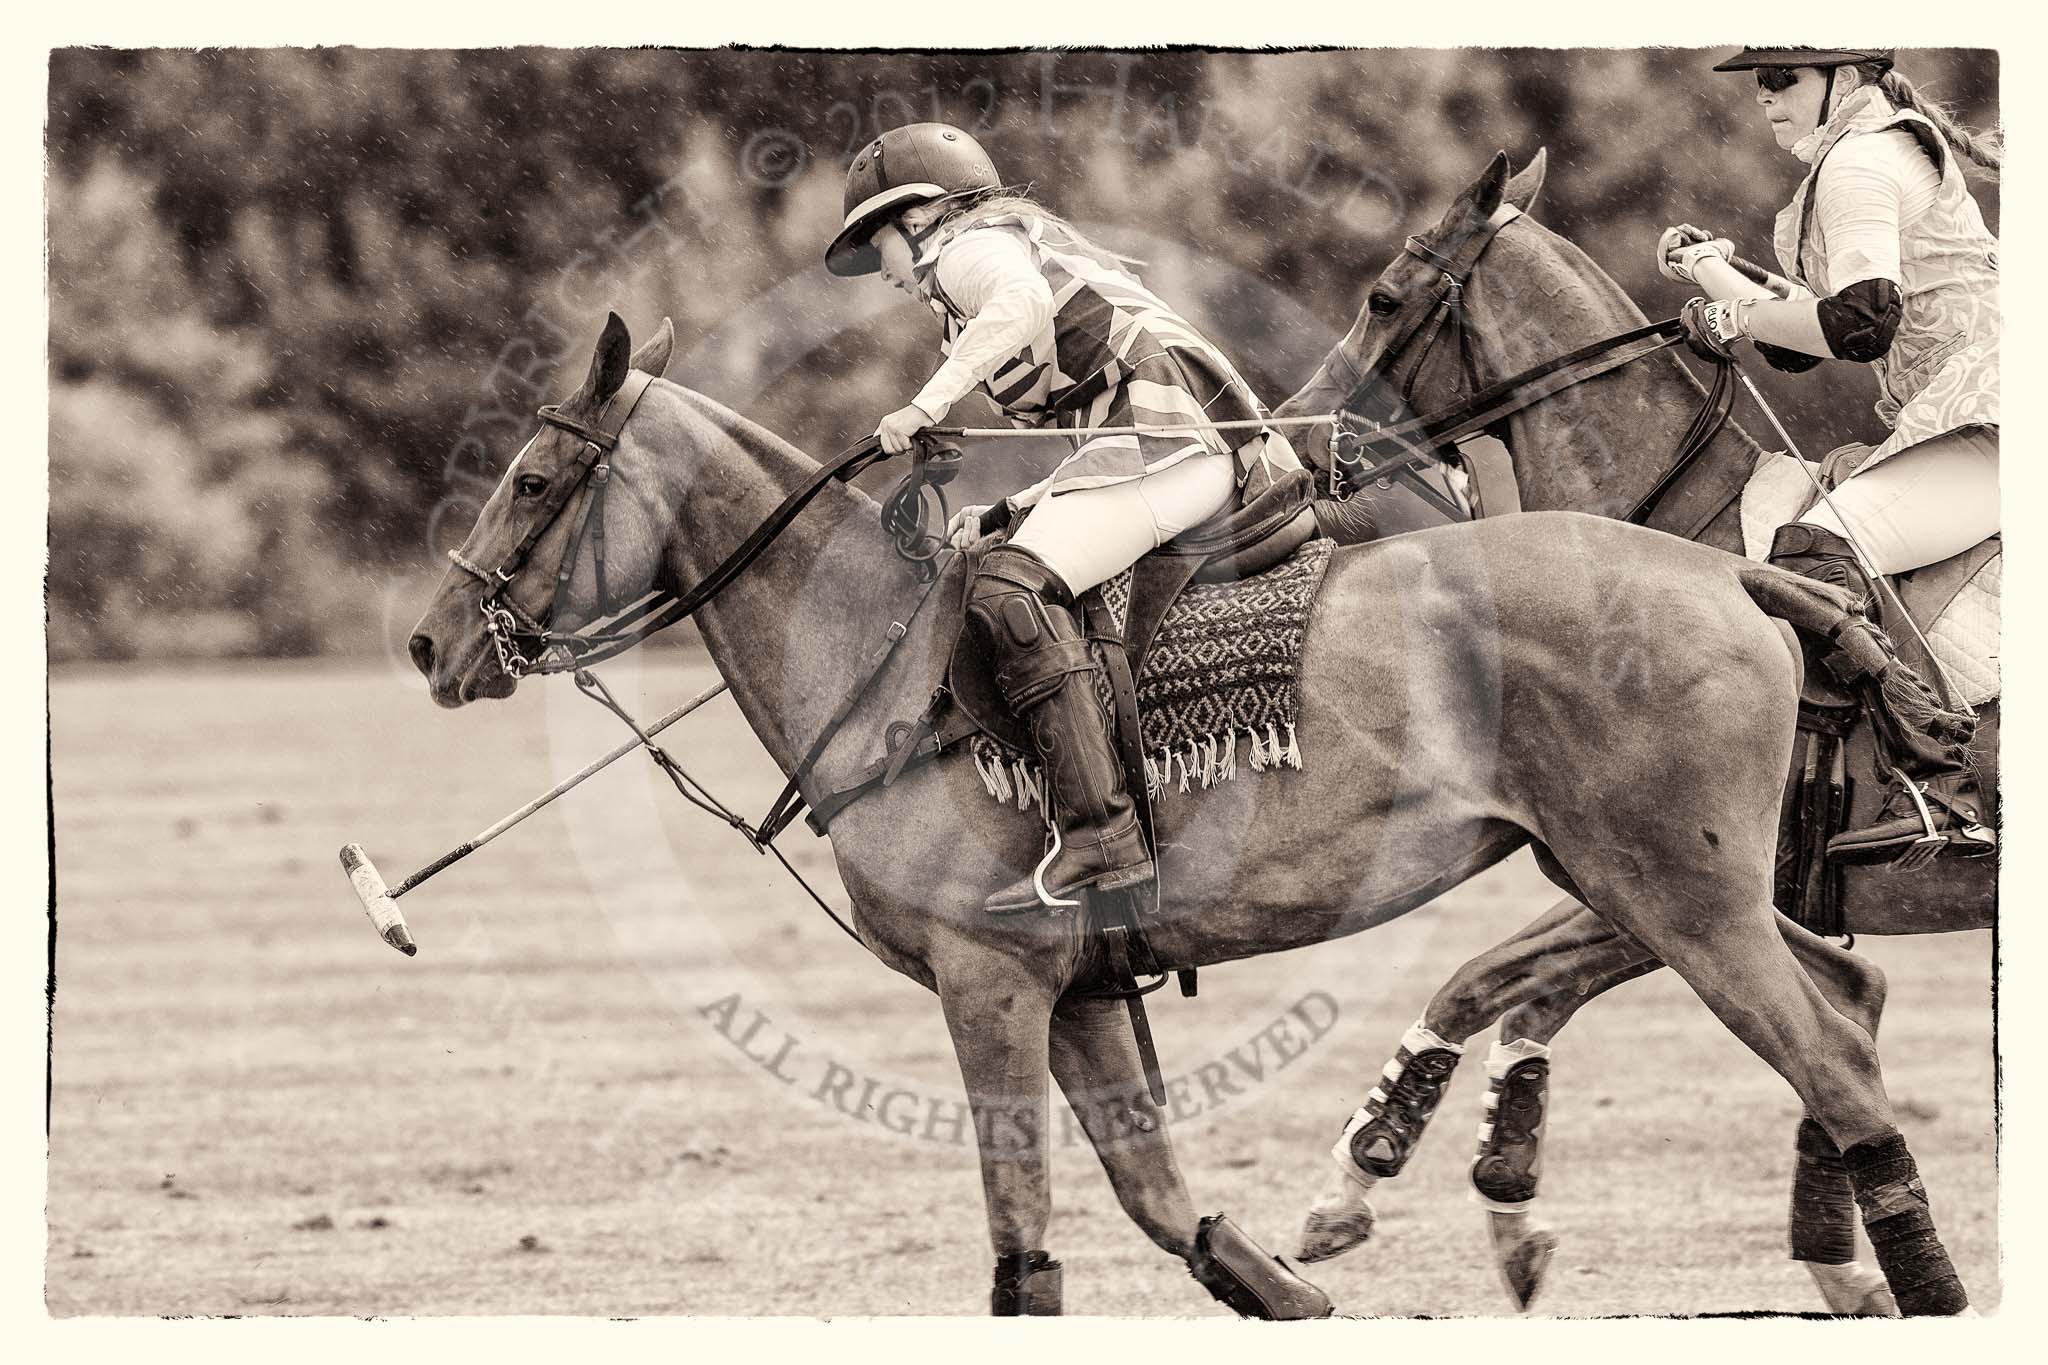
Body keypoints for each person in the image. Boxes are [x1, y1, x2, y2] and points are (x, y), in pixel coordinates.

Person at [826, 122, 1306, 913]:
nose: (880, 274)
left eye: (874, 244)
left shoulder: (966, 249)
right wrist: (1016, 505)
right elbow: (1103, 432)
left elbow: (1020, 302)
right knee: (1009, 550)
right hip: (1159, 446)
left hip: (1172, 449)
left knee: (1008, 591)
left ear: (916, 219)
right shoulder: (1005, 239)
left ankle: (1102, 835)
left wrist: (923, 405)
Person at [1659, 48, 1999, 863]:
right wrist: (1719, 272)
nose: (1765, 98)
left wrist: (1729, 308)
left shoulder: (1859, 162)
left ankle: (1939, 784)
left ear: (1844, 82)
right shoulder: (1860, 154)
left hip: (1996, 416)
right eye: (1758, 83)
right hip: (1975, 413)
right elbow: (1808, 342)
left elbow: (1856, 325)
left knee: (1817, 550)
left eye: (1784, 80)